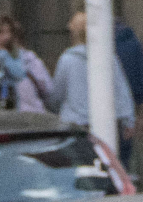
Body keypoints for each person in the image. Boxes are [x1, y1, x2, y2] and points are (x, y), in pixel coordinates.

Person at [50, 11, 133, 142]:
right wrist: (128, 120)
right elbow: (120, 88)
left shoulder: (66, 60)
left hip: (74, 125)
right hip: (103, 124)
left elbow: (57, 95)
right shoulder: (108, 57)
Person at [112, 19, 143, 169]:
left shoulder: (98, 47)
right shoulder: (132, 42)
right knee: (123, 160)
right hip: (126, 110)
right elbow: (142, 79)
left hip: (104, 111)